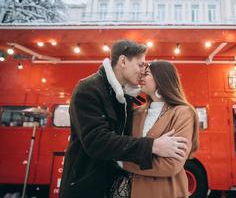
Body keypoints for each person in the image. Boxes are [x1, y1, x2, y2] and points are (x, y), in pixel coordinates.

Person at [59, 40, 189, 198]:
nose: (142, 71)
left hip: (112, 186)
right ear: (123, 61)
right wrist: (152, 146)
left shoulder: (124, 97)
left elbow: (124, 140)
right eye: (140, 65)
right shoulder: (88, 89)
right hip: (86, 186)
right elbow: (96, 141)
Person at [122, 61, 199, 198]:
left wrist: (123, 163)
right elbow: (124, 147)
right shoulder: (136, 113)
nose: (141, 78)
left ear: (161, 78)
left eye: (146, 74)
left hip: (167, 192)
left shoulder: (183, 113)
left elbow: (171, 164)